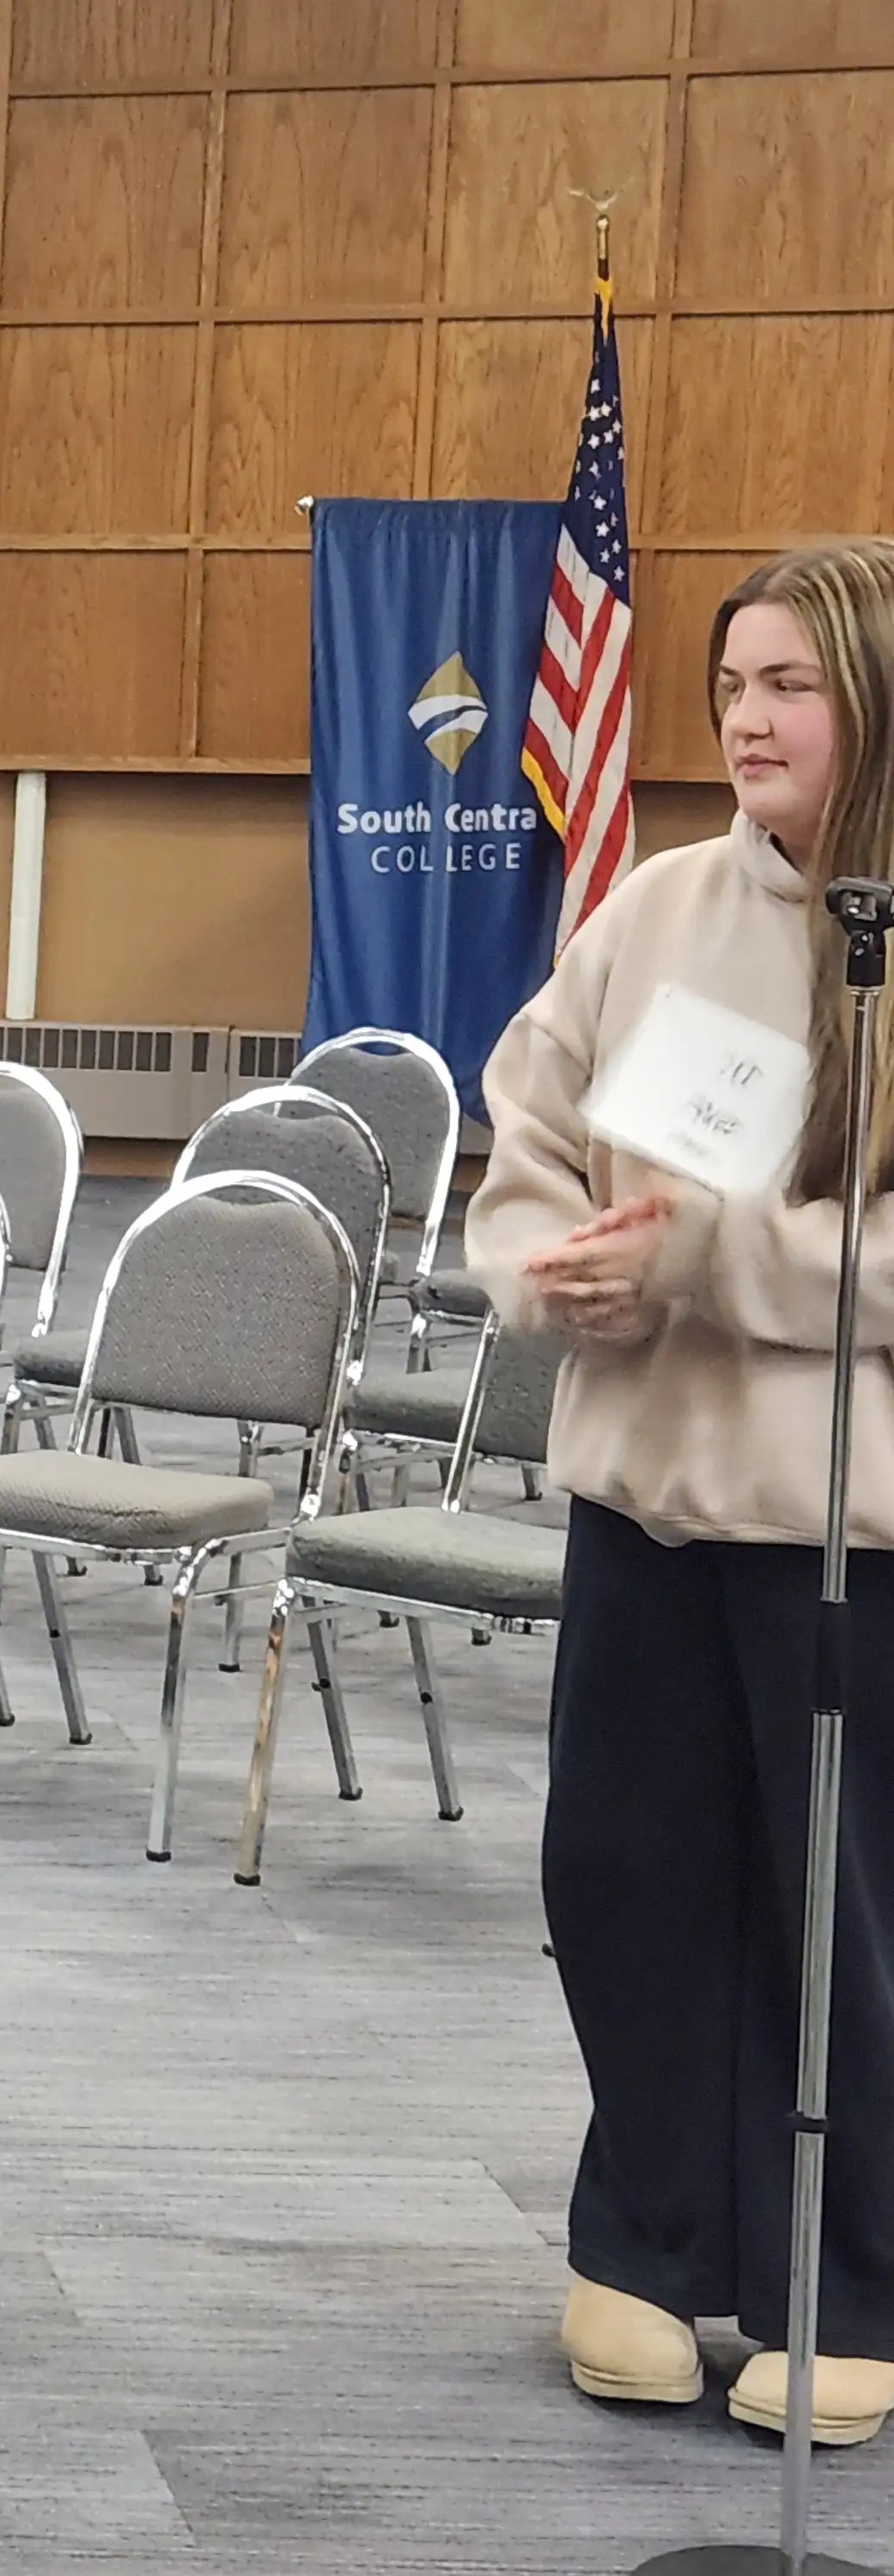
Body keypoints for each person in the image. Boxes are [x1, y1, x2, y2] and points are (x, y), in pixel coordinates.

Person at [467, 537, 894, 2445]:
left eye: (788, 683)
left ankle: (852, 2278)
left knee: (840, 1923)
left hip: (839, 1536)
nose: (746, 716)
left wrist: (714, 1256)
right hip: (640, 1505)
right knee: (623, 1882)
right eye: (730, 684)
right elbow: (530, 1139)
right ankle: (644, 2247)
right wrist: (545, 1265)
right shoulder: (653, 908)